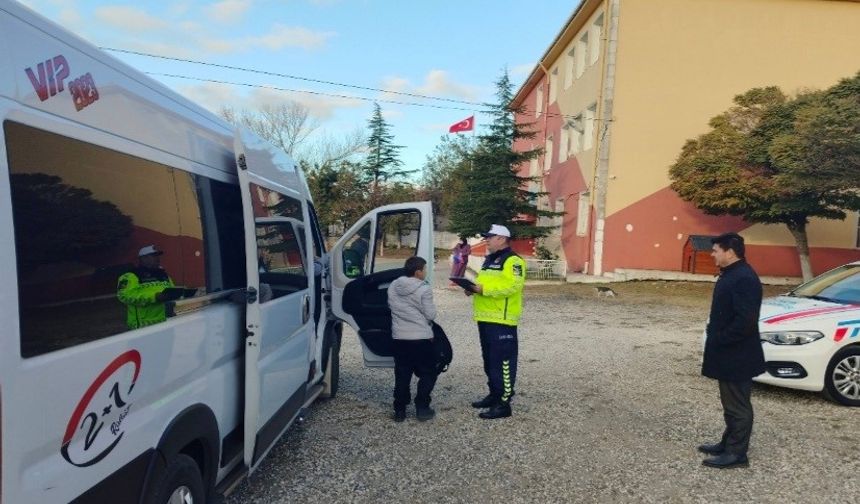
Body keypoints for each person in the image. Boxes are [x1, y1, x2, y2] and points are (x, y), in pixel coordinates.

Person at [699, 232, 765, 469]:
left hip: (737, 354)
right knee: (731, 403)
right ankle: (728, 443)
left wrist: (720, 338)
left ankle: (737, 454)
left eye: (716, 250)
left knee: (738, 405)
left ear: (730, 251)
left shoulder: (744, 278)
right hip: (729, 353)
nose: (712, 254)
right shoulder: (733, 274)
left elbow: (746, 321)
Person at [465, 224, 526, 420]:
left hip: (502, 319)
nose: (487, 240)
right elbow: (486, 284)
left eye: (490, 237)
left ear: (501, 238)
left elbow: (512, 286)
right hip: (485, 317)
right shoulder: (489, 260)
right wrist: (471, 288)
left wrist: (483, 290)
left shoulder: (513, 261)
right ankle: (494, 394)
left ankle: (504, 403)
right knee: (490, 361)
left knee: (504, 363)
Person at [387, 256, 438, 422]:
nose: (426, 272)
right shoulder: (424, 289)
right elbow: (431, 315)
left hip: (400, 338)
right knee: (428, 373)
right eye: (425, 269)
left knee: (402, 374)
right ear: (418, 272)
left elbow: (390, 306)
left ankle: (400, 410)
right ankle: (422, 407)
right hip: (422, 339)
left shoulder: (394, 285)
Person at [117, 245, 176, 330]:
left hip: (167, 323)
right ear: (143, 258)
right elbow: (124, 296)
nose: (157, 259)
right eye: (153, 256)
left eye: (158, 256)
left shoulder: (163, 274)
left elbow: (172, 291)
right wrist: (155, 297)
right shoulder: (131, 275)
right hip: (143, 326)